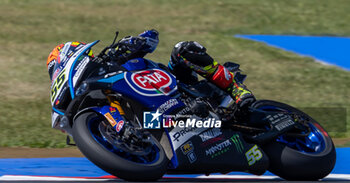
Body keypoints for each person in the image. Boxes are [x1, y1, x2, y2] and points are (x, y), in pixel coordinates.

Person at [46, 29, 255, 109]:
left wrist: (133, 43)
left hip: (179, 86)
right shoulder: (90, 93)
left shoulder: (111, 57)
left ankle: (234, 89)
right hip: (155, 115)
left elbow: (152, 37)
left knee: (183, 49)